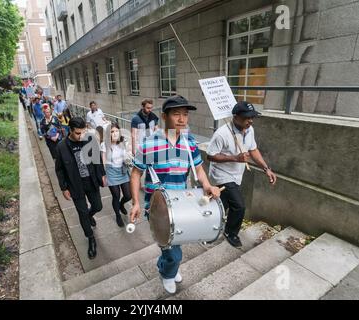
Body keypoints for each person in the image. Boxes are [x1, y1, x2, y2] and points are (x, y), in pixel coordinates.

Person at [130, 95, 221, 294]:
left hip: (182, 206)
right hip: (157, 208)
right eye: (176, 114)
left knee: (175, 244)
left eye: (185, 115)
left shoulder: (189, 141)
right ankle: (167, 270)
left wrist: (207, 185)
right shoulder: (149, 143)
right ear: (164, 116)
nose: (182, 119)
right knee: (174, 252)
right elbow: (136, 173)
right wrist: (136, 202)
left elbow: (199, 169)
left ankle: (168, 265)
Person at [207, 101, 277, 248]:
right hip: (222, 175)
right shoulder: (222, 133)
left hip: (237, 175)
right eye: (246, 117)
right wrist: (235, 158)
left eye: (252, 117)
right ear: (236, 116)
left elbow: (253, 150)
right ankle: (230, 232)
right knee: (239, 206)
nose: (250, 120)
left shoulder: (250, 130)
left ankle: (209, 229)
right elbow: (211, 156)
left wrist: (266, 169)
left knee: (221, 204)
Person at [55, 117, 107, 259]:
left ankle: (90, 215)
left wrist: (102, 174)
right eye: (78, 133)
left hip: (91, 181)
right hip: (75, 185)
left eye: (83, 132)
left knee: (98, 206)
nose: (81, 136)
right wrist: (63, 188)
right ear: (70, 130)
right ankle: (90, 238)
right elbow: (59, 169)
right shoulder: (61, 147)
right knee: (82, 213)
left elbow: (97, 159)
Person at [101, 122, 132, 228]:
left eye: (116, 131)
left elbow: (127, 155)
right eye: (112, 131)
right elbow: (103, 161)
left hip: (122, 171)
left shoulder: (123, 142)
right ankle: (118, 215)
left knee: (128, 195)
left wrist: (128, 158)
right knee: (116, 196)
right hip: (111, 172)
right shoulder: (104, 144)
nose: (115, 133)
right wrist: (104, 175)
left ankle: (121, 204)